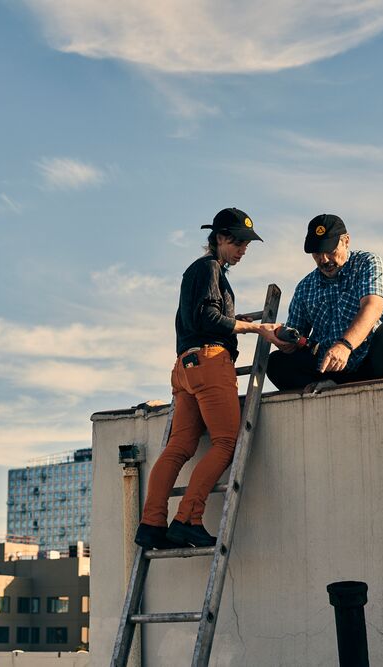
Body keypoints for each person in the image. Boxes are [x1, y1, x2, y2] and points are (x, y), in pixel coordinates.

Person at [134, 208, 281, 549]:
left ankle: (152, 524)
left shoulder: (200, 273)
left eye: (246, 244)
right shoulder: (209, 268)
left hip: (185, 367)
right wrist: (256, 327)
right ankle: (188, 519)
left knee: (180, 446)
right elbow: (209, 318)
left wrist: (234, 319)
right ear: (218, 239)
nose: (243, 249)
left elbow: (201, 316)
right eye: (237, 242)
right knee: (226, 443)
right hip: (210, 362)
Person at [267, 213, 383, 391]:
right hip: (330, 369)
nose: (324, 260)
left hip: (373, 362)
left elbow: (372, 306)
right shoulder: (305, 287)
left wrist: (345, 345)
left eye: (330, 251)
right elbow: (297, 341)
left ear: (346, 241)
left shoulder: (367, 263)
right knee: (276, 362)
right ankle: (325, 389)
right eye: (317, 253)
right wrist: (283, 340)